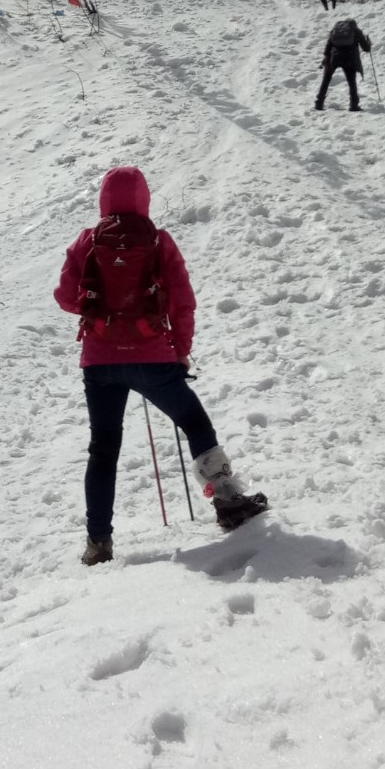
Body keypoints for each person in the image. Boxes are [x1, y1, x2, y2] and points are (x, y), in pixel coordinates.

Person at [54, 166, 267, 565]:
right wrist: (179, 349)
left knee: (103, 449)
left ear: (104, 198)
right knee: (195, 422)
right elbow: (182, 301)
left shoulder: (88, 241)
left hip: (99, 362)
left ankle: (98, 543)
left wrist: (96, 309)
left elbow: (66, 296)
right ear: (145, 199)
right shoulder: (158, 241)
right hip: (153, 357)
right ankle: (228, 501)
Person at [315, 15, 373, 112]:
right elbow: (366, 48)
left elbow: (328, 46)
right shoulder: (356, 30)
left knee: (326, 81)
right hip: (350, 58)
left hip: (334, 58)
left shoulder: (335, 29)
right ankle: (353, 105)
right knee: (352, 83)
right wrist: (368, 42)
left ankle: (319, 103)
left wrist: (326, 58)